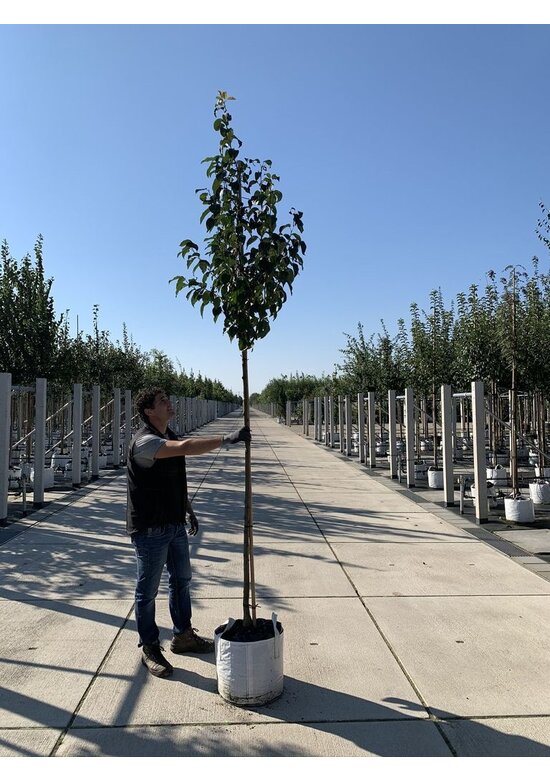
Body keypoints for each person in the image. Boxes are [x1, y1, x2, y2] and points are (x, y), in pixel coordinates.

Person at [127, 387, 250, 678]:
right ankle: (149, 646)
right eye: (162, 402)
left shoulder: (169, 435)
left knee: (181, 580)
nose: (169, 404)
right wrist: (227, 439)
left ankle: (183, 635)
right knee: (147, 592)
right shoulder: (145, 442)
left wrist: (188, 509)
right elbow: (185, 448)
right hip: (150, 529)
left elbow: (174, 478)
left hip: (173, 523)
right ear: (148, 411)